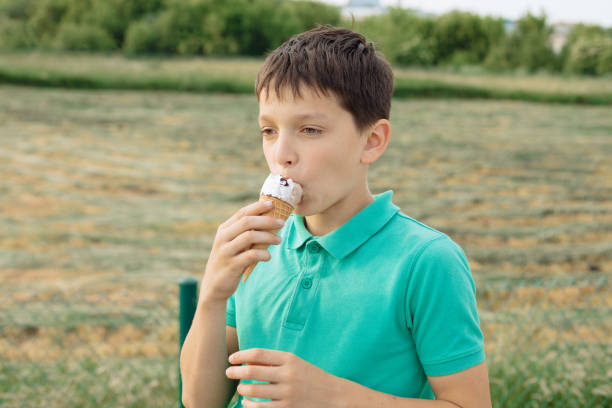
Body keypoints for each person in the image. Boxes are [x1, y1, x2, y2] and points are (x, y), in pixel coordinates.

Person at [180, 25, 491, 408]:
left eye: (310, 130)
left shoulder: (426, 261)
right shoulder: (258, 249)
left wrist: (333, 397)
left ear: (372, 141)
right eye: (268, 130)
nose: (282, 154)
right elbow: (200, 401)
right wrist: (212, 294)